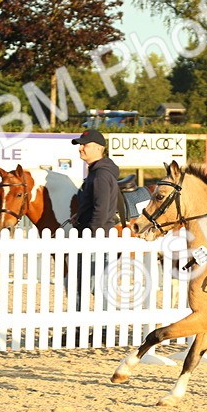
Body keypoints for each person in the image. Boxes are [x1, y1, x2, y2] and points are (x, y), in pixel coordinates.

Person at [68, 129, 121, 331]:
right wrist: (79, 215)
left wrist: (92, 234)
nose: (80, 148)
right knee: (96, 285)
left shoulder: (100, 175)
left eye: (85, 145)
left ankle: (83, 329)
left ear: (98, 148)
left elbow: (101, 209)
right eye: (80, 145)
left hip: (97, 238)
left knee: (85, 285)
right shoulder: (97, 172)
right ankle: (99, 328)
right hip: (100, 236)